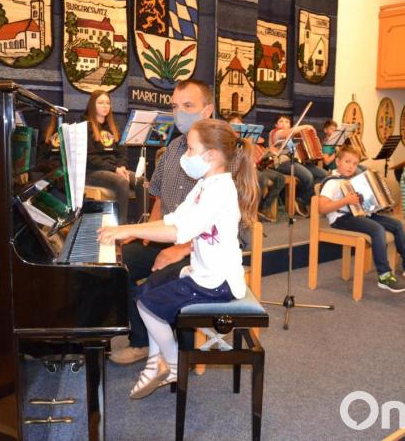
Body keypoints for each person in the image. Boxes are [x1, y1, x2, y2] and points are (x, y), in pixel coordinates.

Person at [97, 118, 259, 399]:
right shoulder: (204, 184)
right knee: (148, 290)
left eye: (190, 149)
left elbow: (178, 232)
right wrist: (130, 231)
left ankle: (171, 364)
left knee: (147, 306)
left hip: (217, 282)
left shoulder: (220, 190)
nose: (185, 157)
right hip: (203, 272)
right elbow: (173, 219)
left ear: (210, 155)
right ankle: (155, 361)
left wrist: (125, 229)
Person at [110, 79, 214, 365]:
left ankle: (166, 348)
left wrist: (183, 249)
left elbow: (229, 219)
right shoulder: (171, 151)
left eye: (188, 106)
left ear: (207, 111)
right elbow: (158, 198)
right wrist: (147, 234)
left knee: (155, 282)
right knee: (117, 263)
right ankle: (141, 337)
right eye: (175, 106)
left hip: (206, 247)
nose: (180, 113)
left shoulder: (226, 152)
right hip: (169, 235)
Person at [318, 145, 405, 293]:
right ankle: (384, 275)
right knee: (377, 229)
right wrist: (346, 201)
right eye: (347, 162)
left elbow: (362, 203)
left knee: (397, 224)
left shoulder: (354, 180)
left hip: (360, 214)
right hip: (341, 218)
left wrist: (376, 203)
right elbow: (321, 208)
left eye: (355, 163)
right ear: (337, 162)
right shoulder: (332, 182)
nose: (351, 166)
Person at [84, 90, 144, 223]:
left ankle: (141, 224)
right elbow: (90, 158)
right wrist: (115, 169)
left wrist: (121, 166)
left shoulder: (113, 126)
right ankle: (120, 227)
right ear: (92, 105)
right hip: (93, 171)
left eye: (107, 103)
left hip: (114, 169)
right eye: (100, 103)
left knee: (141, 181)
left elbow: (122, 152)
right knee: (122, 182)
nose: (105, 106)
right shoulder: (86, 126)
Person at [227, 113, 285, 222]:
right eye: (233, 123)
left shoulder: (248, 137)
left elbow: (261, 141)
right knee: (261, 178)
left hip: (255, 167)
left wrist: (266, 155)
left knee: (280, 178)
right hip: (240, 169)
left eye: (239, 123)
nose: (237, 125)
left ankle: (263, 207)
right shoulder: (227, 138)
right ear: (228, 125)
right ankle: (252, 210)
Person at [268, 115, 328, 216]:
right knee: (307, 176)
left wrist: (309, 153)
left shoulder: (292, 136)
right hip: (281, 163)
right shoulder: (275, 133)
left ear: (290, 124)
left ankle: (301, 199)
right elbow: (287, 133)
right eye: (281, 121)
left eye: (287, 122)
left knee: (324, 175)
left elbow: (295, 152)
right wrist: (306, 126)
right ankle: (299, 199)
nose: (284, 124)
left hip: (295, 162)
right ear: (276, 125)